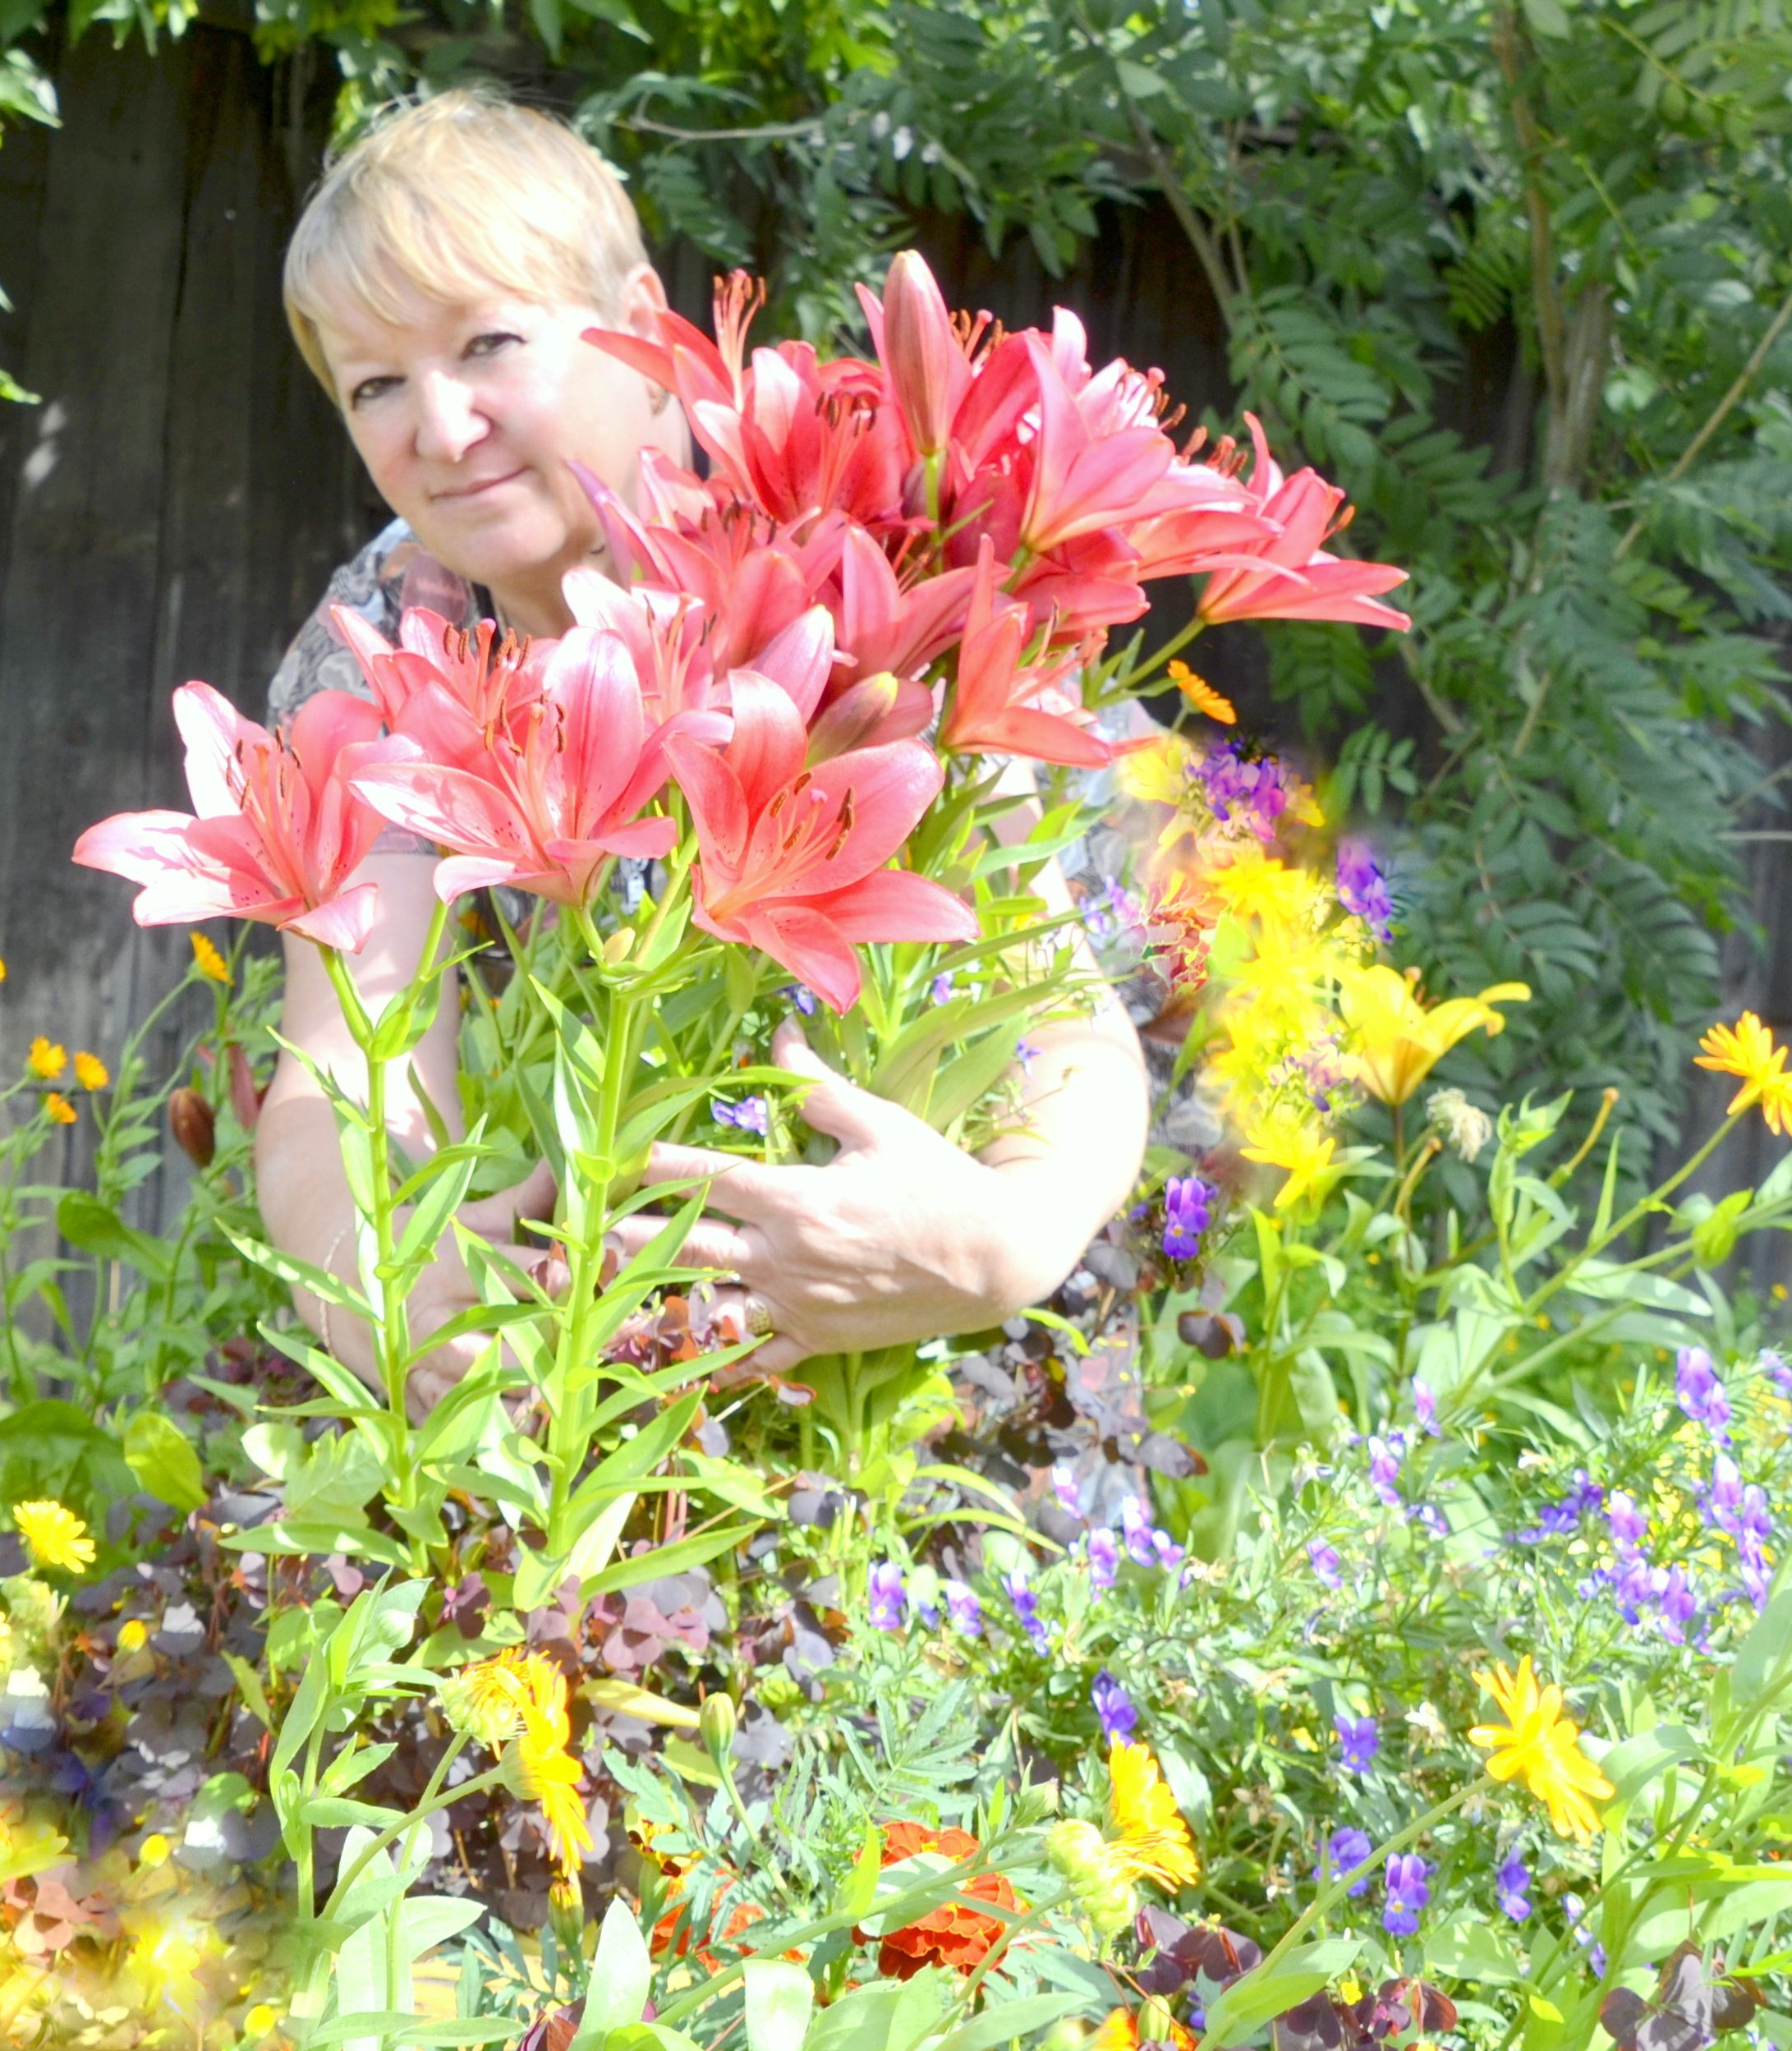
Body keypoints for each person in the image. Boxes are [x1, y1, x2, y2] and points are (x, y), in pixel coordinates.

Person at [257, 87, 1151, 1411]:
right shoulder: (374, 650)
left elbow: (1062, 1017)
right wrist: (392, 1284)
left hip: (1064, 1222)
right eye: (376, 384)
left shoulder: (868, 544)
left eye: (490, 344)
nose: (438, 433)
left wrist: (993, 1244)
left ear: (639, 322)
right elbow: (344, 1060)